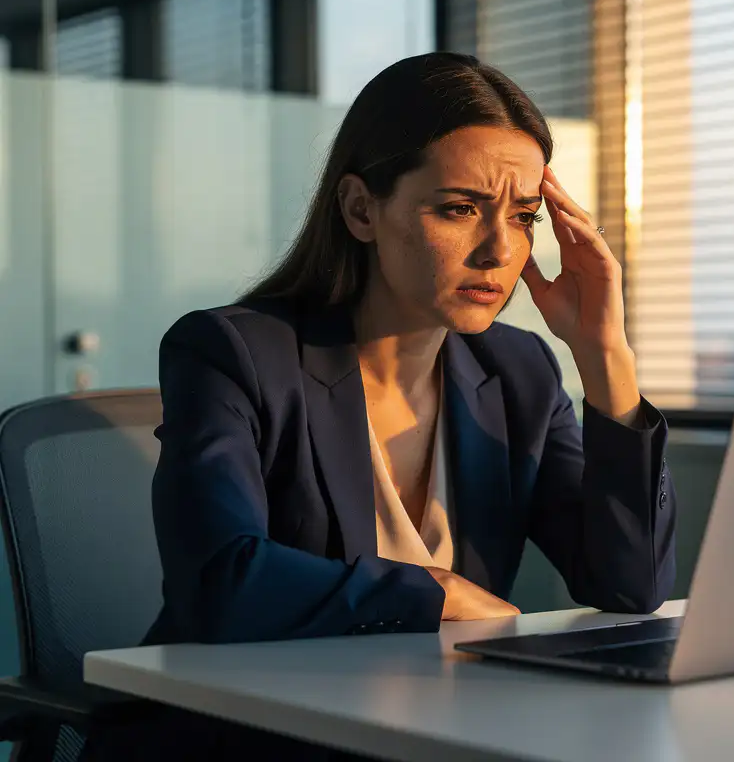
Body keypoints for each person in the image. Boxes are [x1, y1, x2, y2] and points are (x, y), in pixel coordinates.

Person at [82, 51, 677, 761]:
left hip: (426, 730)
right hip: (241, 739)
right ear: (362, 209)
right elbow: (219, 580)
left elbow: (630, 583)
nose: (499, 250)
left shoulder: (519, 372)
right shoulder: (234, 353)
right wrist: (430, 593)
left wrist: (605, 355)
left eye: (523, 217)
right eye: (460, 209)